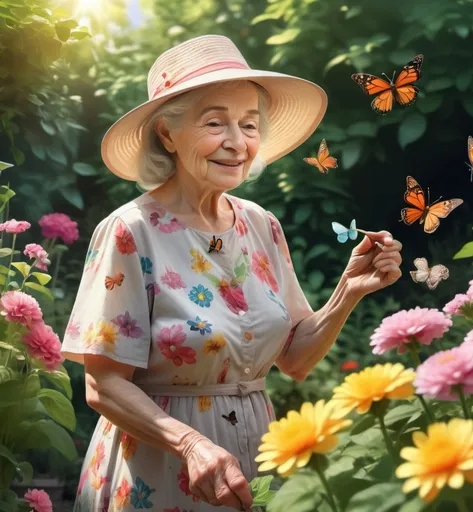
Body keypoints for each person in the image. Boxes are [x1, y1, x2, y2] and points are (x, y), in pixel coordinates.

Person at [61, 34, 403, 511]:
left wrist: (349, 290)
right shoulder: (130, 231)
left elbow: (295, 360)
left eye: (248, 124)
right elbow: (103, 385)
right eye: (215, 122)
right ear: (167, 134)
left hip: (256, 462)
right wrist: (191, 445)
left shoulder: (261, 225)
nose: (237, 143)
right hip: (160, 472)